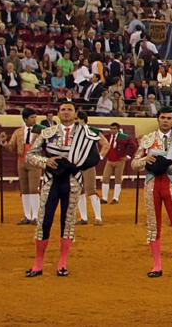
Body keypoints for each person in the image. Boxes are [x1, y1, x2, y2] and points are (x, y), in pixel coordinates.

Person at [26, 100, 101, 278]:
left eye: (69, 109)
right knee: (44, 221)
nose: (66, 112)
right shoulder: (47, 132)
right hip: (51, 181)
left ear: (75, 113)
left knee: (67, 223)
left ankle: (62, 263)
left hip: (73, 182)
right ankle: (37, 264)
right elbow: (30, 155)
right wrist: (46, 161)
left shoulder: (86, 134)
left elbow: (94, 156)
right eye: (63, 109)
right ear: (58, 113)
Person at [132, 107, 172, 279]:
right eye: (163, 117)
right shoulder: (148, 139)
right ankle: (156, 266)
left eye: (169, 118)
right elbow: (134, 164)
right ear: (158, 119)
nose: (166, 120)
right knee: (153, 225)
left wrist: (167, 165)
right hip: (152, 185)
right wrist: (146, 160)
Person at [5, 108, 43, 224]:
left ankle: (36, 216)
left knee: (33, 189)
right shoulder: (18, 132)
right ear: (25, 119)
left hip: (34, 161)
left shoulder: (41, 131)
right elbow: (11, 147)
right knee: (25, 190)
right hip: (21, 162)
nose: (34, 119)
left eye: (35, 117)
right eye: (32, 117)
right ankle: (27, 216)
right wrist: (3, 143)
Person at [73, 111, 104, 226]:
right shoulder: (72, 131)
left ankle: (98, 217)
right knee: (79, 192)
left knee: (91, 190)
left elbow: (105, 144)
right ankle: (83, 218)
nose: (75, 121)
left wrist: (99, 157)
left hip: (88, 165)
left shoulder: (93, 131)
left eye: (77, 119)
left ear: (83, 120)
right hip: (75, 166)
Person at [102, 122, 135, 204]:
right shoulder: (107, 136)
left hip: (119, 161)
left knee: (118, 180)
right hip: (109, 161)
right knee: (105, 179)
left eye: (114, 129)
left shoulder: (124, 137)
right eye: (111, 129)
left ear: (118, 129)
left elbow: (133, 146)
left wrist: (127, 156)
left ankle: (115, 199)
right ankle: (104, 198)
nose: (112, 130)